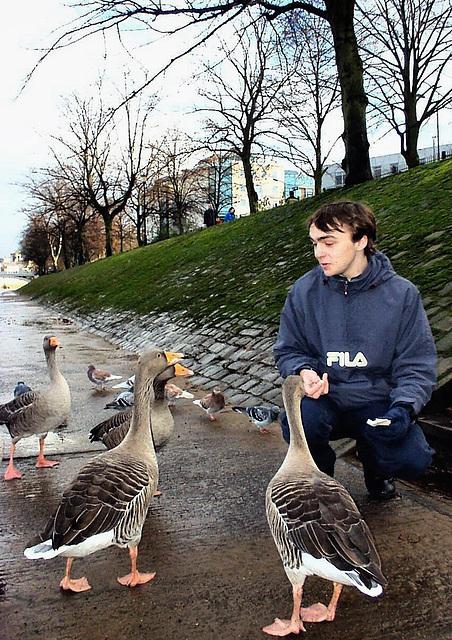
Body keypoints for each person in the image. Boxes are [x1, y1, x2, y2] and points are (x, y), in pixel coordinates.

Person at [274, 200, 437, 500]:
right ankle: (321, 483)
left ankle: (377, 466)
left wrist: (403, 409)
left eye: (329, 242)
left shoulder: (402, 295)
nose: (318, 252)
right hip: (325, 401)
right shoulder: (303, 291)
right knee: (301, 421)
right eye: (314, 243)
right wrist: (304, 372)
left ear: (361, 240)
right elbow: (288, 350)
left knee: (414, 458)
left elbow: (417, 365)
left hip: (377, 402)